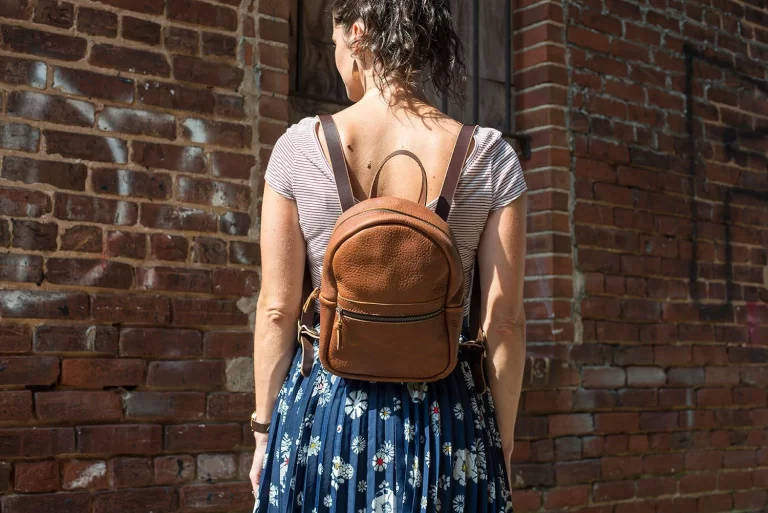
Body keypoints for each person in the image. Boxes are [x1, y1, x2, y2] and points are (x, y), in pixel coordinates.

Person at [249, 1, 528, 511]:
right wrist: (500, 441)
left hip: (327, 413)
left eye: (335, 44)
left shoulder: (298, 149)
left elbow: (275, 311)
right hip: (449, 418)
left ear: (357, 35)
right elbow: (504, 325)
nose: (336, 58)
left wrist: (264, 431)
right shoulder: (490, 156)